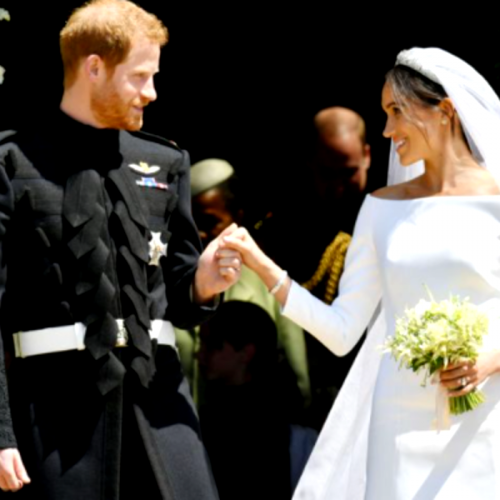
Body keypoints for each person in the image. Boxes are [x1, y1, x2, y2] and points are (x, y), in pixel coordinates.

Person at [220, 47, 500, 499]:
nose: (387, 130)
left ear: (444, 111)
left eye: (396, 111)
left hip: (486, 417)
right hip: (397, 424)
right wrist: (263, 265)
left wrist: (491, 360)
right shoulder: (380, 209)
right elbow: (343, 331)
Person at [0, 0, 241, 498]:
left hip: (165, 417)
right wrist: (1, 436)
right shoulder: (12, 163)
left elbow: (174, 292)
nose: (151, 93)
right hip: (57, 425)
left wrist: (205, 281)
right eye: (139, 77)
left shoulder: (165, 161)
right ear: (94, 67)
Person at [175, 157, 310, 409]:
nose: (201, 234)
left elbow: (295, 362)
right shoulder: (172, 280)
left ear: (237, 216)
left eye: (209, 221)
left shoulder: (266, 278)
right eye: (192, 225)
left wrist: (301, 409)